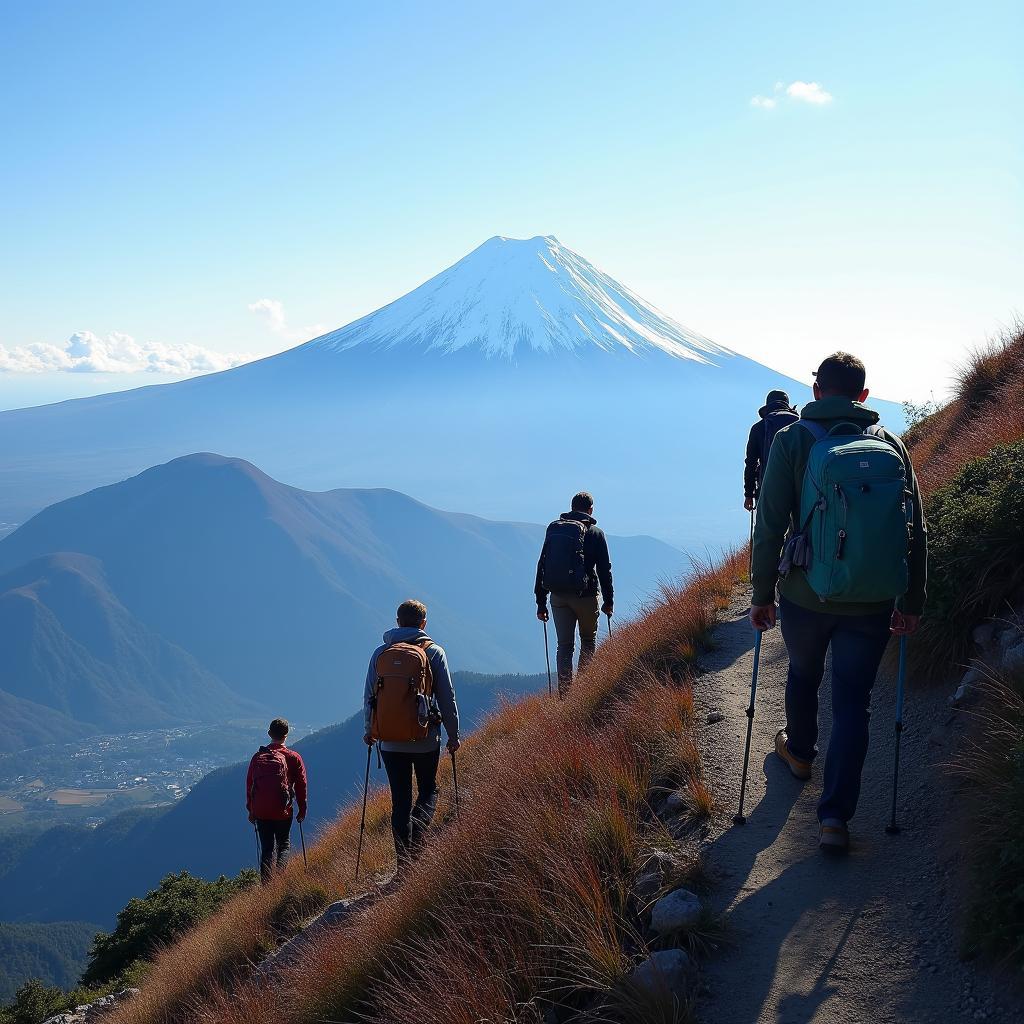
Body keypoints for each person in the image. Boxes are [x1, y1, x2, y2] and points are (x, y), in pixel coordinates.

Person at [750, 352, 927, 852]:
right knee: (854, 702)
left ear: (816, 392)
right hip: (871, 601)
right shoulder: (889, 444)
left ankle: (800, 753)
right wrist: (910, 600)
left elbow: (768, 528)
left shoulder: (791, 440)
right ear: (864, 397)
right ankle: (834, 820)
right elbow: (915, 531)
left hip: (806, 595)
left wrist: (763, 596)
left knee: (804, 674)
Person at [363, 599, 460, 869]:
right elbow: (447, 697)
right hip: (425, 737)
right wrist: (453, 734)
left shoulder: (381, 653)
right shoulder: (434, 652)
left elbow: (370, 695)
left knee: (400, 800)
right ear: (423, 623)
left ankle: (403, 864)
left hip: (390, 741)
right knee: (428, 789)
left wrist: (369, 729)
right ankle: (418, 837)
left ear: (397, 622)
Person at [535, 491, 614, 694]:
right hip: (586, 597)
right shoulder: (595, 533)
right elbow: (604, 570)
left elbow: (542, 565)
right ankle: (583, 692)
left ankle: (565, 695)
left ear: (571, 507)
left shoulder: (555, 530)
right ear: (590, 510)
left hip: (558, 597)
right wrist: (608, 601)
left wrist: (541, 603)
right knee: (587, 640)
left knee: (564, 647)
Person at [246, 718, 308, 884]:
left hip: (261, 811)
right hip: (283, 810)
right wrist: (302, 809)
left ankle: (266, 886)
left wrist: (251, 810)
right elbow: (301, 785)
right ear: (286, 735)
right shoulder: (294, 757)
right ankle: (280, 881)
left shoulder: (258, 757)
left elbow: (250, 785)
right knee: (283, 845)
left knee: (267, 849)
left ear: (269, 734)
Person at [744, 390, 799, 512]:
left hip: (768, 490)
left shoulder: (759, 427)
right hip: (799, 491)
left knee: (769, 530)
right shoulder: (800, 424)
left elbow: (751, 463)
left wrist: (748, 494)